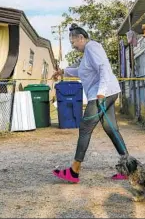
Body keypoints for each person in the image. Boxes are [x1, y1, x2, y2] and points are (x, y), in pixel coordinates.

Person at [52, 23, 129, 183]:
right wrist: (63, 72)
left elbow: (104, 68)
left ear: (81, 38)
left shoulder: (92, 47)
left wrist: (101, 92)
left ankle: (74, 171)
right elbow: (82, 70)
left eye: (73, 42)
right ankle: (129, 168)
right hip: (110, 91)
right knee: (111, 129)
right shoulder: (88, 52)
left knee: (85, 128)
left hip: (102, 93)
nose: (73, 46)